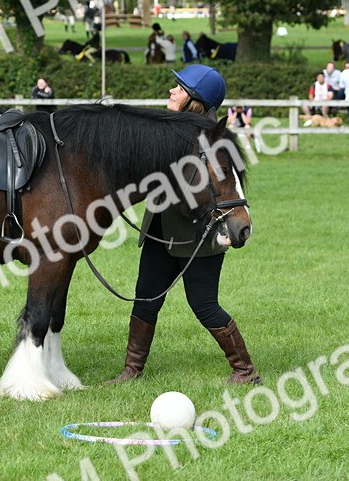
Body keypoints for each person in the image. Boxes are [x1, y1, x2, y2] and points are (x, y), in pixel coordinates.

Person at [107, 64, 262, 386]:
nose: (171, 91)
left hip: (199, 235)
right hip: (160, 231)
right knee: (145, 297)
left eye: (178, 88)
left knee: (203, 305)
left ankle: (245, 371)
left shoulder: (213, 138)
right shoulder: (167, 129)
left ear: (195, 98)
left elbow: (225, 187)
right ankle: (132, 370)